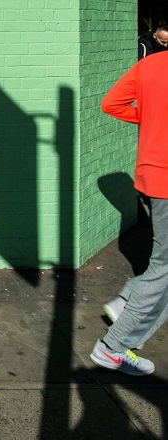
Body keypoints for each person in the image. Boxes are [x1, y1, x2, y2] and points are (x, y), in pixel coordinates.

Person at [90, 50, 168, 376]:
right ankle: (112, 347)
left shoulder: (151, 63)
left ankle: (127, 303)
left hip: (150, 177)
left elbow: (111, 104)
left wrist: (147, 115)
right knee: (164, 268)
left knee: (163, 265)